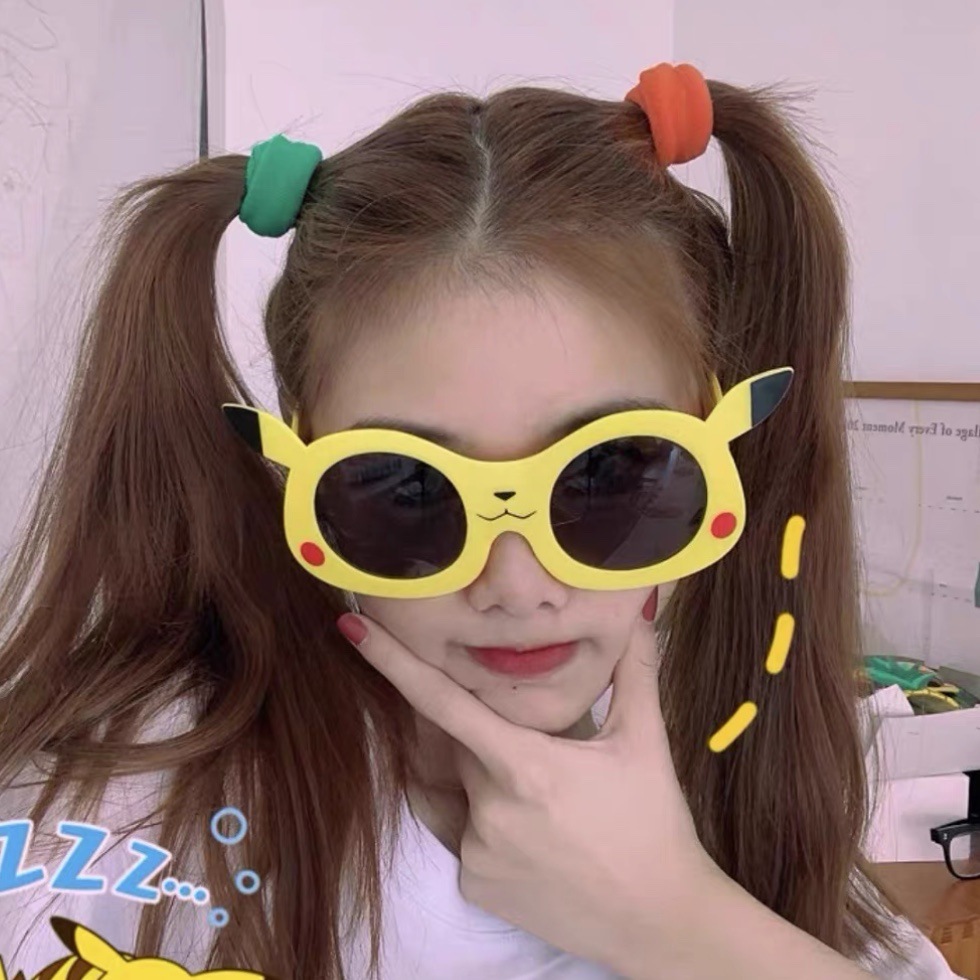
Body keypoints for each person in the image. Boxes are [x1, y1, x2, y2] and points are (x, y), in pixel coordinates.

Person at [0, 61, 963, 979]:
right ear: (296, 463)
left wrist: (678, 919)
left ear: (723, 446)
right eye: (408, 488)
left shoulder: (733, 763)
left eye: (609, 475)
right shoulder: (124, 820)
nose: (515, 584)